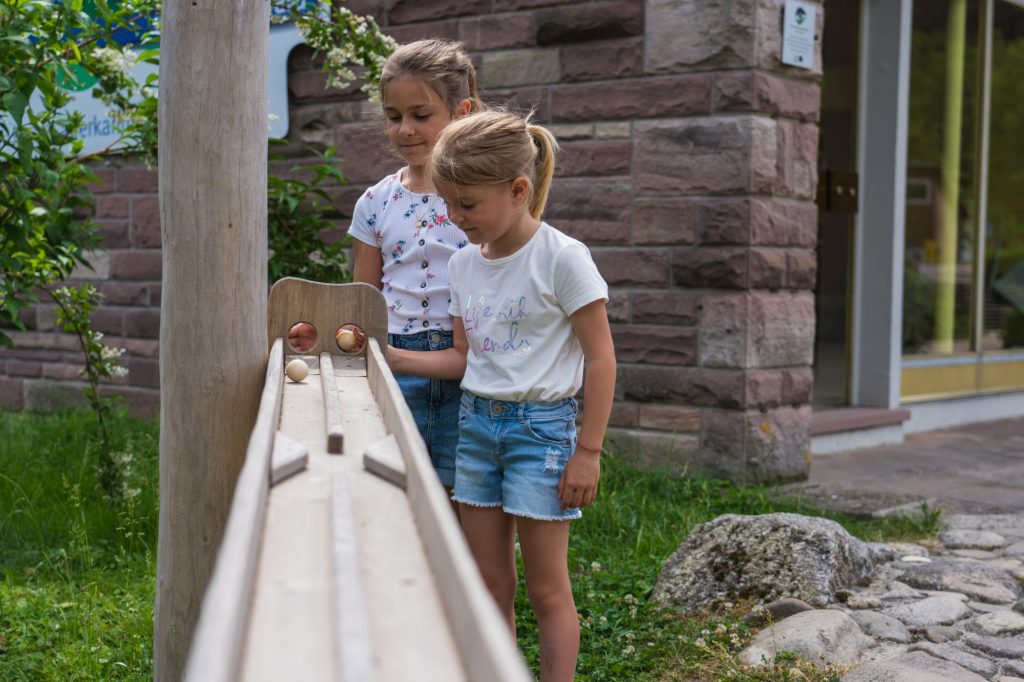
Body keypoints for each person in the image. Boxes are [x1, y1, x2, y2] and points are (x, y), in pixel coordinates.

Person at [386, 111, 616, 682]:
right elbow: (464, 359)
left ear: (518, 191)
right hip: (475, 431)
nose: (454, 218)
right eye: (447, 203)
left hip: (542, 433)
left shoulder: (563, 258)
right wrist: (392, 357)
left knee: (546, 589)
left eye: (466, 205)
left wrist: (588, 451)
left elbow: (602, 358)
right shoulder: (464, 265)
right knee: (487, 582)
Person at [348, 39, 484, 491]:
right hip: (394, 361)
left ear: (461, 111)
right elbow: (362, 298)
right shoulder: (374, 202)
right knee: (395, 490)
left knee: (460, 496)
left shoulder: (483, 199)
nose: (404, 129)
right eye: (394, 116)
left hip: (471, 368)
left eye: (420, 115)